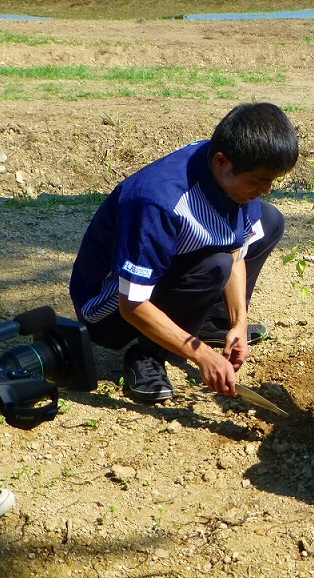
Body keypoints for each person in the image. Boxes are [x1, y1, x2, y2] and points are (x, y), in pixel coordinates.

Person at [70, 102, 299, 403]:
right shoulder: (158, 202)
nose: (266, 188)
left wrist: (238, 323)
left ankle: (207, 321)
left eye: (272, 181)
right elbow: (132, 305)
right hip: (109, 310)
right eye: (259, 181)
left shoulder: (237, 170)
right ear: (221, 161)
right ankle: (148, 354)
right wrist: (202, 355)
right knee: (214, 266)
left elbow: (236, 250)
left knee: (269, 221)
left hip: (167, 272)